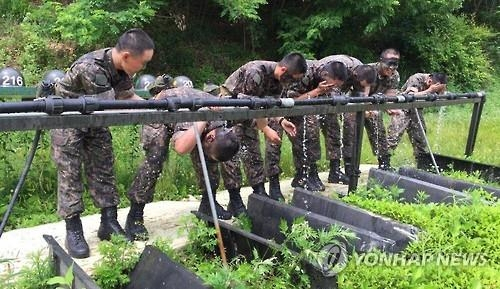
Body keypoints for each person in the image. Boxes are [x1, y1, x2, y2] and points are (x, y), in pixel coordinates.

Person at [51, 28, 154, 258]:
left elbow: (128, 97)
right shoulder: (92, 67)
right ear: (127, 56)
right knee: (70, 174)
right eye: (143, 63)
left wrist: (154, 107)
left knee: (104, 169)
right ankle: (73, 230)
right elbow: (111, 105)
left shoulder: (121, 68)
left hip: (95, 118)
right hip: (68, 120)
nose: (144, 68)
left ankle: (108, 222)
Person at [219, 53, 302, 201]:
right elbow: (250, 104)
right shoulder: (255, 72)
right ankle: (235, 199)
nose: (290, 84)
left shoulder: (279, 81)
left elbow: (269, 106)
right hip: (231, 108)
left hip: (251, 111)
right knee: (232, 151)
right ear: (283, 70)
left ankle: (259, 192)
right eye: (292, 79)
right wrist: (265, 128)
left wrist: (281, 120)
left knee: (253, 151)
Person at [170, 86, 243, 219]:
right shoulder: (191, 116)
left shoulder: (224, 117)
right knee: (155, 155)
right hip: (165, 108)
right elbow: (180, 148)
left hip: (203, 117)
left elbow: (256, 111)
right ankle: (136, 216)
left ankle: (209, 202)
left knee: (216, 152)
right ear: (210, 137)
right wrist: (203, 117)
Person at [124, 74, 179, 241]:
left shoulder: (181, 92)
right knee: (154, 162)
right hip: (158, 114)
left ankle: (208, 202)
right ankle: (135, 215)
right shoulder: (157, 100)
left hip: (182, 108)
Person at [285, 60, 348, 191]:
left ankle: (332, 170)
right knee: (309, 128)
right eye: (332, 85)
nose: (332, 88)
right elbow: (292, 102)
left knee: (333, 123)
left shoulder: (328, 78)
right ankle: (304, 174)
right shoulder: (303, 74)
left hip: (311, 105)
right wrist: (317, 91)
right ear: (325, 75)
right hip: (286, 108)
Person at [387, 72, 447, 166]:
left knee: (421, 140)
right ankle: (384, 164)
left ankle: (421, 165)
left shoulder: (436, 84)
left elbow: (442, 97)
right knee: (393, 138)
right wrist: (430, 90)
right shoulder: (416, 78)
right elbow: (411, 96)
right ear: (429, 81)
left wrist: (442, 91)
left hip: (416, 111)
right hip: (403, 109)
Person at [364, 48, 401, 170]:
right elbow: (361, 95)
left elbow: (390, 96)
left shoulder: (394, 75)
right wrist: (368, 108)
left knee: (379, 131)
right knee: (351, 134)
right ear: (381, 61)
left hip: (374, 105)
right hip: (353, 102)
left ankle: (384, 163)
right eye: (389, 64)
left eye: (395, 65)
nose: (391, 68)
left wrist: (390, 108)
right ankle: (347, 169)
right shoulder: (368, 71)